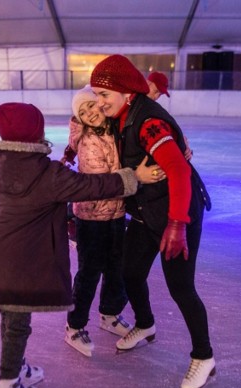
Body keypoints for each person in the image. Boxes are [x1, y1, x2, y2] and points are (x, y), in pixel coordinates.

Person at [0, 102, 154, 388]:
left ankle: (16, 366)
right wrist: (134, 177)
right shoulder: (46, 173)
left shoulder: (3, 161)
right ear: (35, 132)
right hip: (23, 257)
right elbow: (91, 186)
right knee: (18, 323)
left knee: (10, 317)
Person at [90, 54, 215, 388]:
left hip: (178, 211)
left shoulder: (147, 122)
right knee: (131, 273)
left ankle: (204, 357)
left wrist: (177, 225)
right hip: (147, 211)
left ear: (126, 92)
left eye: (104, 95)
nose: (98, 103)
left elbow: (178, 171)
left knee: (181, 288)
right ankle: (145, 325)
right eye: (96, 95)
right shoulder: (122, 115)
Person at [63, 85, 166, 357]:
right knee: (89, 272)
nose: (89, 114)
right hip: (92, 216)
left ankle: (109, 313)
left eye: (91, 106)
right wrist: (137, 176)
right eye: (82, 112)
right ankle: (74, 327)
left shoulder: (113, 129)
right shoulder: (87, 141)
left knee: (116, 268)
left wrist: (182, 146)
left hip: (117, 213)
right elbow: (103, 184)